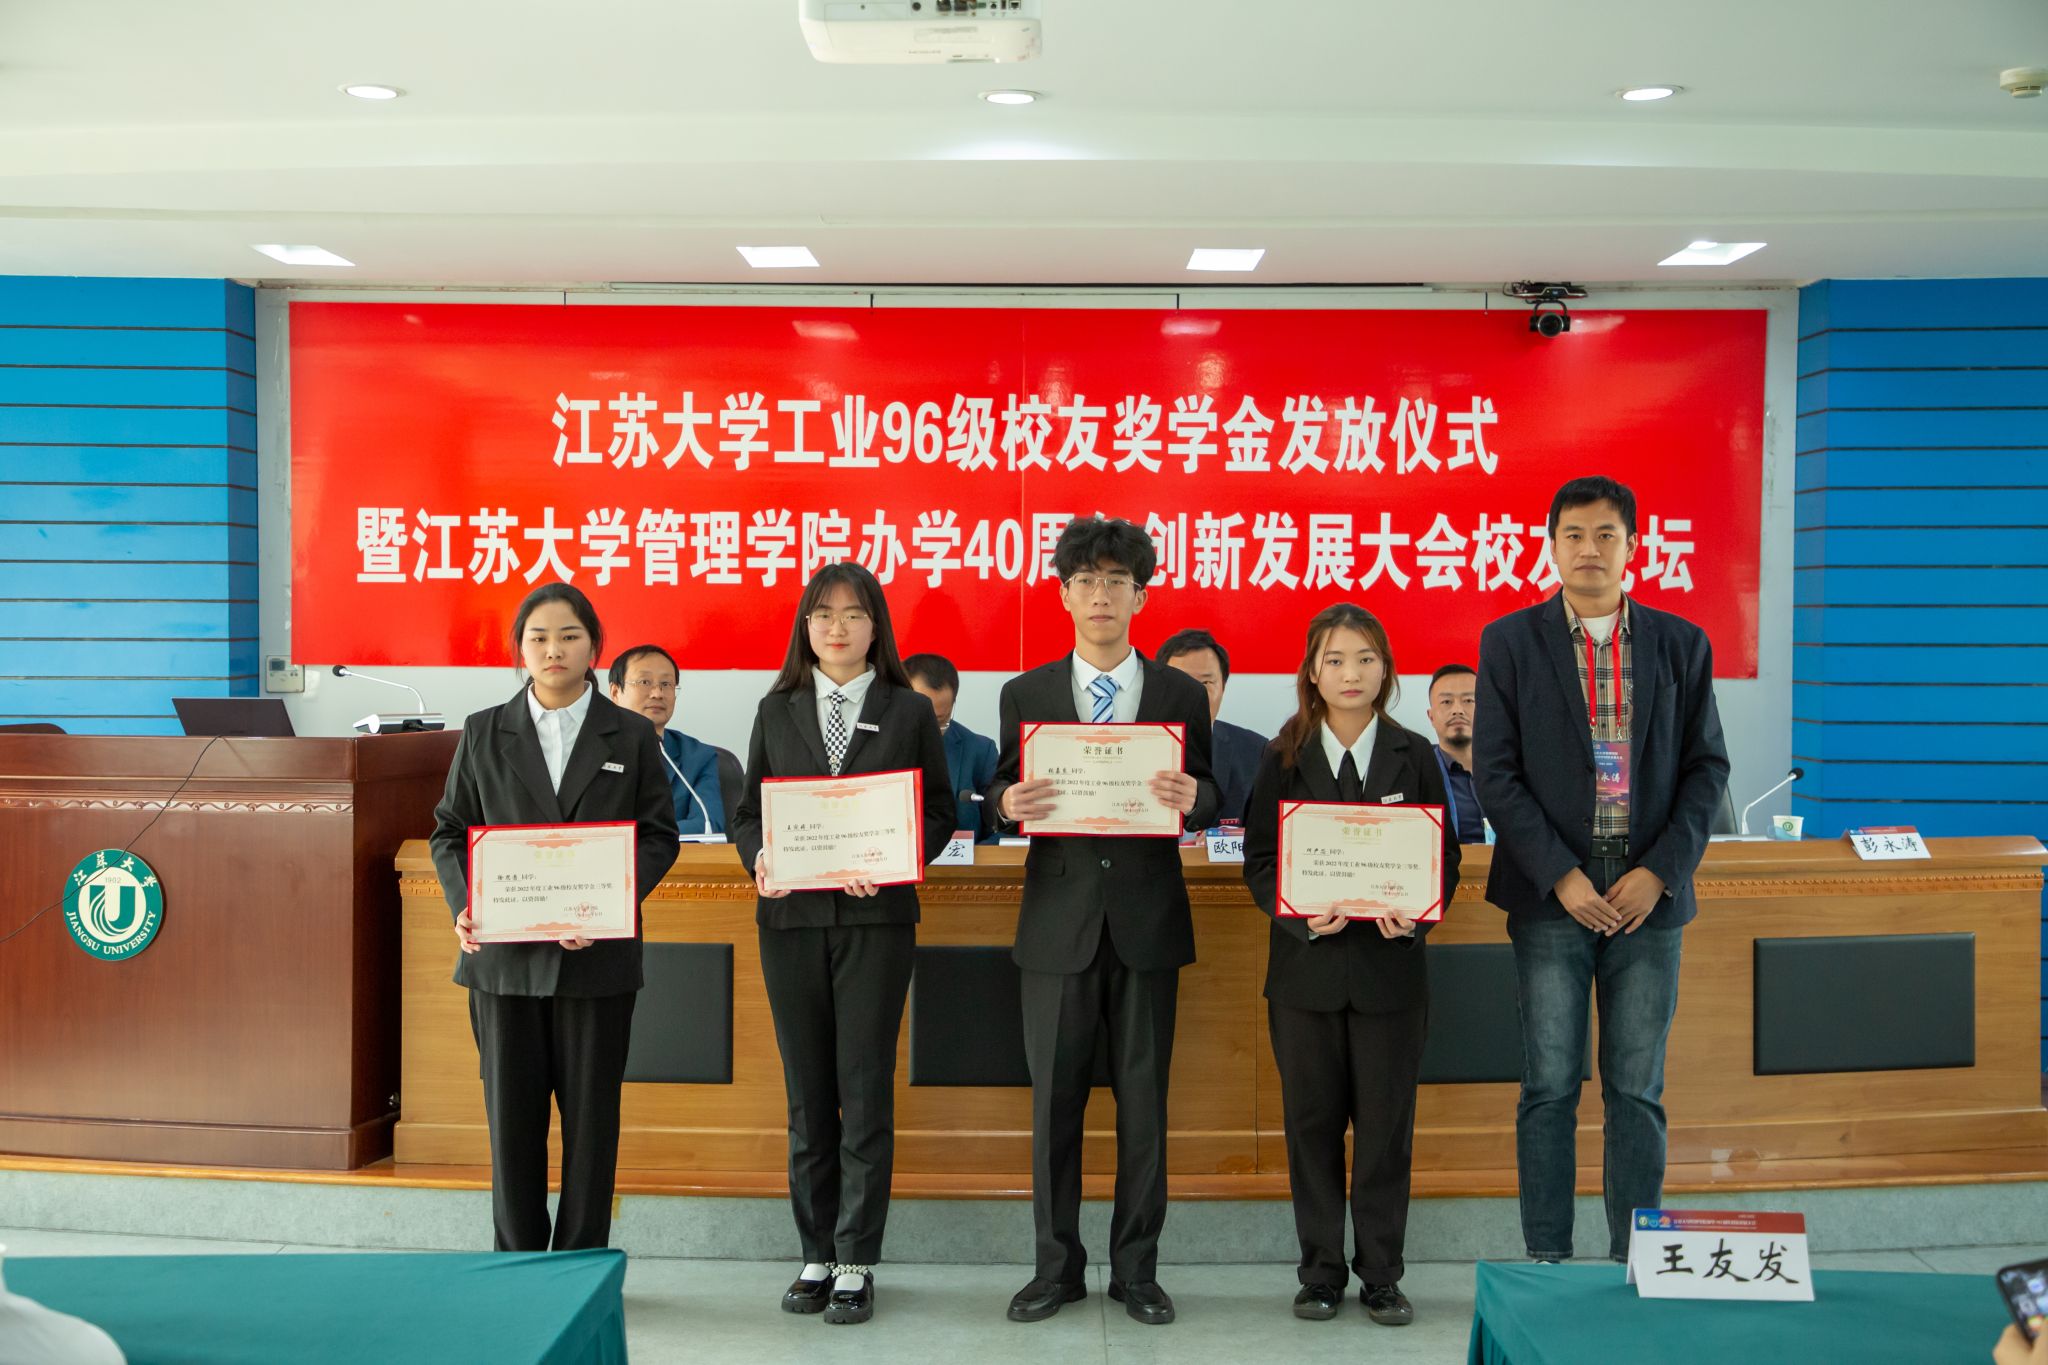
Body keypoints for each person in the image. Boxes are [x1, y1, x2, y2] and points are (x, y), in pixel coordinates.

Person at [1474, 475, 1729, 1264]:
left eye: (1606, 534)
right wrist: (1561, 874)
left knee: (1636, 1089)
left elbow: (1707, 769)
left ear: (1632, 545)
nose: (1590, 548)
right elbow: (1495, 772)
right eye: (1575, 534)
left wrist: (1660, 871)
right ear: (1551, 545)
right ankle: (1548, 1257)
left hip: (1648, 897)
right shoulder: (1510, 642)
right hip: (1554, 896)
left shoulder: (1680, 643)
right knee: (1550, 1084)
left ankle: (1635, 1259)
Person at [987, 516, 1218, 1327]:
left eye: (1117, 581)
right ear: (1064, 594)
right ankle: (1054, 1269)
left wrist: (1197, 797)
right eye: (1086, 580)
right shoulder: (1026, 693)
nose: (1101, 595)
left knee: (1144, 1107)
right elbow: (1000, 789)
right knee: (1053, 1106)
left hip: (1148, 921)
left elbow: (1212, 790)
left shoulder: (1180, 694)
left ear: (1140, 596)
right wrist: (1007, 801)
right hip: (1058, 925)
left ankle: (1137, 1272)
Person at [729, 562, 955, 1326]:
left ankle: (856, 1257)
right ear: (806, 626)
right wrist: (759, 855)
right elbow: (748, 811)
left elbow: (940, 811)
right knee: (806, 1094)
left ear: (875, 627)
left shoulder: (907, 709)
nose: (837, 627)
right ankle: (816, 1250)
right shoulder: (776, 708)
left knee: (862, 1090)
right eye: (823, 614)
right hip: (790, 923)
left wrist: (894, 859)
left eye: (854, 614)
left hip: (874, 922)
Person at [428, 582, 680, 1253]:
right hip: (504, 964)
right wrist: (465, 901)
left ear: (594, 646)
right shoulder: (485, 729)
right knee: (512, 1127)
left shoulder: (630, 732)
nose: (553, 649)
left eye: (569, 635)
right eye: (538, 637)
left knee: (592, 1126)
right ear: (520, 649)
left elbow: (659, 836)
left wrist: (610, 903)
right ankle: (517, 1266)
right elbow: (450, 829)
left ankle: (581, 1263)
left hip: (597, 961)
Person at [1242, 603, 1459, 1326]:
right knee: (1310, 1128)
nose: (1350, 673)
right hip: (1304, 978)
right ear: (1312, 671)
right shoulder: (1282, 755)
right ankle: (1320, 1273)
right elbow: (1260, 860)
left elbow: (1444, 857)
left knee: (1385, 1132)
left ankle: (1383, 1276)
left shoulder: (1414, 754)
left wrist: (1418, 914)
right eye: (1335, 659)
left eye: (1365, 658)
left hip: (1390, 975)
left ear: (1385, 669)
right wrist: (1296, 914)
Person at [607, 643, 743, 836]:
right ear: (615, 692)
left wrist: (640, 838)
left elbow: (707, 825)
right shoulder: (591, 751)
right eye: (644, 682)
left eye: (666, 684)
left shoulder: (698, 756)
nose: (657, 693)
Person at [1157, 627, 1268, 825]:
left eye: (1206, 682)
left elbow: (1263, 833)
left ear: (1223, 687)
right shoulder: (1130, 743)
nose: (1195, 694)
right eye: (1182, 681)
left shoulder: (1256, 751)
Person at [904, 651, 1000, 843]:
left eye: (940, 720)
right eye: (920, 718)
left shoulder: (980, 751)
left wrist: (973, 857)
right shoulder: (870, 745)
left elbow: (1004, 828)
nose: (930, 730)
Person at [1423, 664, 1488, 843]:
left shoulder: (1511, 767)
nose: (1457, 710)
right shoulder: (1419, 771)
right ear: (1431, 716)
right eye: (1446, 702)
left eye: (1469, 700)